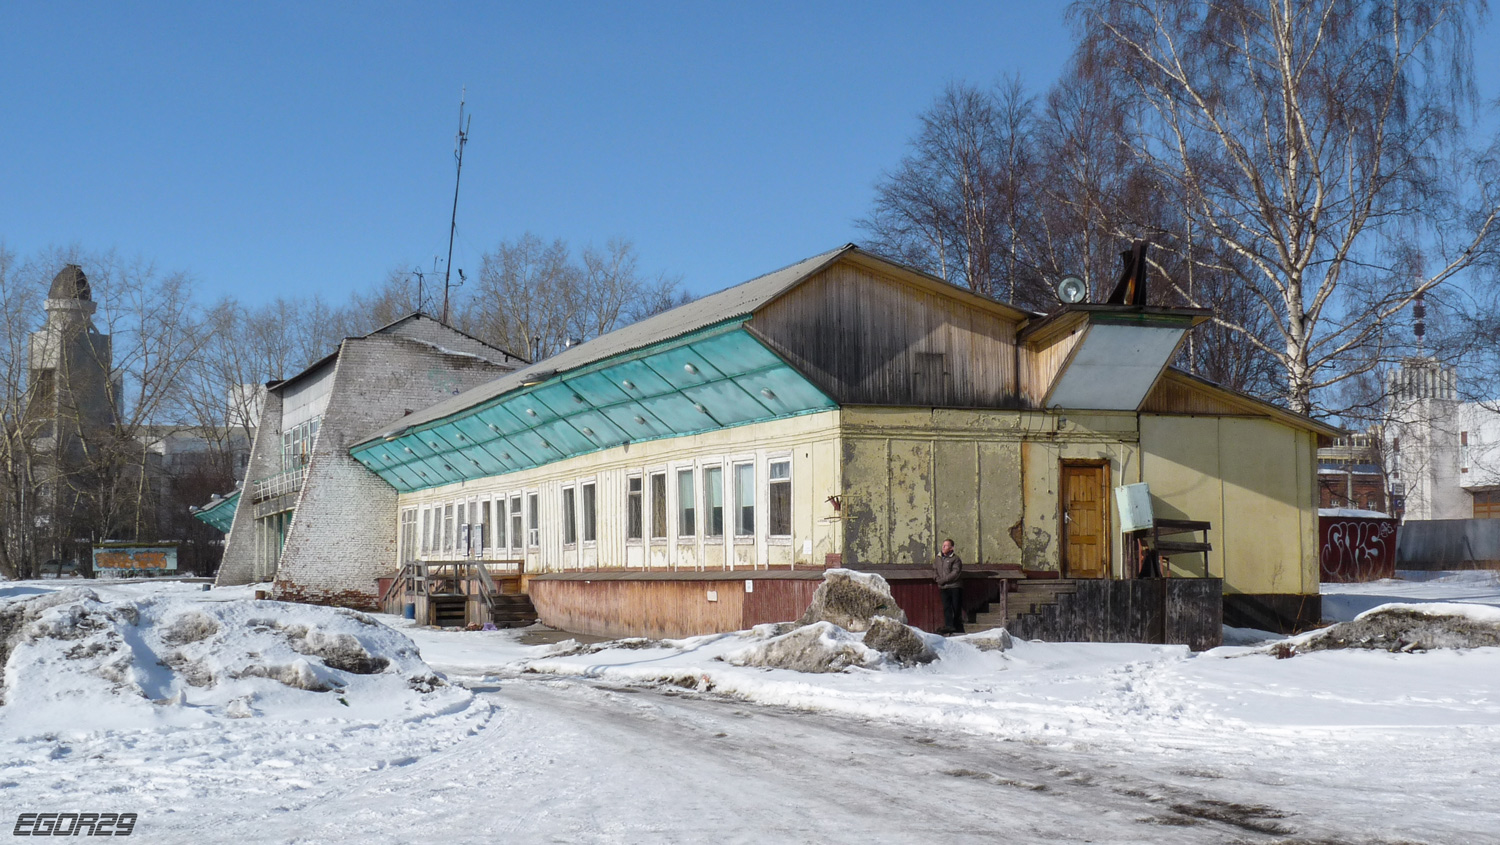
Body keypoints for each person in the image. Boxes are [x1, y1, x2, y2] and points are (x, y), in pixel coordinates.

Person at [933, 538, 964, 634]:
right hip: (943, 587)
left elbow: (955, 573)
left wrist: (943, 580)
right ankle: (949, 626)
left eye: (946, 545)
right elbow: (934, 570)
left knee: (956, 607)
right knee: (946, 607)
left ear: (951, 548)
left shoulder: (955, 559)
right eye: (943, 545)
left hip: (954, 586)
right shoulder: (938, 558)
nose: (943, 547)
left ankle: (957, 626)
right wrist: (937, 579)